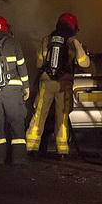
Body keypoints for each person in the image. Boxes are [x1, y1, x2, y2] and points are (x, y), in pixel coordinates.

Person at [25, 12, 90, 158]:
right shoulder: (73, 42)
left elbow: (39, 63)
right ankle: (62, 150)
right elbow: (84, 63)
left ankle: (31, 147)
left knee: (39, 115)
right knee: (62, 117)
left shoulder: (46, 40)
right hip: (64, 84)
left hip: (46, 82)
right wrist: (78, 47)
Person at [0, 15, 30, 164]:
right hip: (13, 91)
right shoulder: (14, 43)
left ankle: (1, 159)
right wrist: (26, 87)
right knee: (16, 123)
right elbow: (22, 67)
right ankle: (18, 159)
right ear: (6, 28)